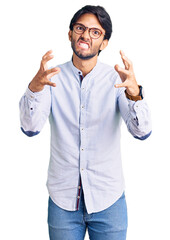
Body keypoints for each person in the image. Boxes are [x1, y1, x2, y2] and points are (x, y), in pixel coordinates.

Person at [19, 5, 152, 240]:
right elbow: (30, 128)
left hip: (108, 200)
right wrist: (35, 88)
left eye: (95, 32)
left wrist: (134, 92)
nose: (85, 36)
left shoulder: (117, 80)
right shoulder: (51, 78)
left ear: (104, 42)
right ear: (70, 34)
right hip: (63, 202)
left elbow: (142, 132)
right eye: (80, 28)